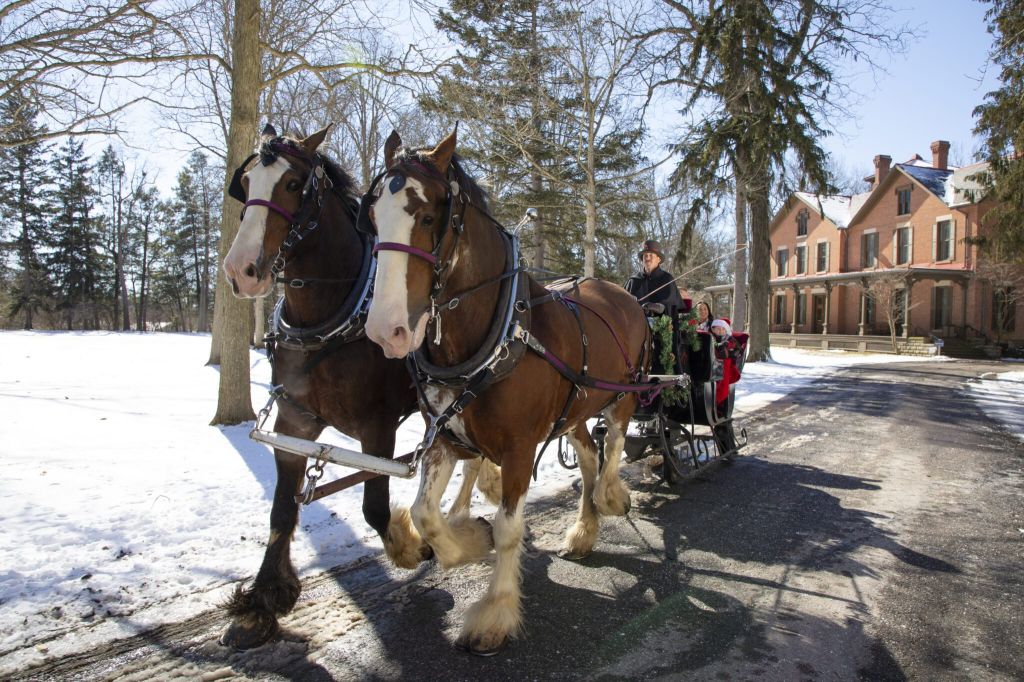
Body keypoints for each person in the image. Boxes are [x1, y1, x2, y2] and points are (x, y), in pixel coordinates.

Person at [624, 239, 685, 316]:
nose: (647, 258)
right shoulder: (632, 281)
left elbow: (673, 306)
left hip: (662, 327)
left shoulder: (667, 279)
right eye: (645, 255)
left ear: (658, 259)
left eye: (651, 255)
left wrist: (657, 307)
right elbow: (622, 306)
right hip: (635, 326)